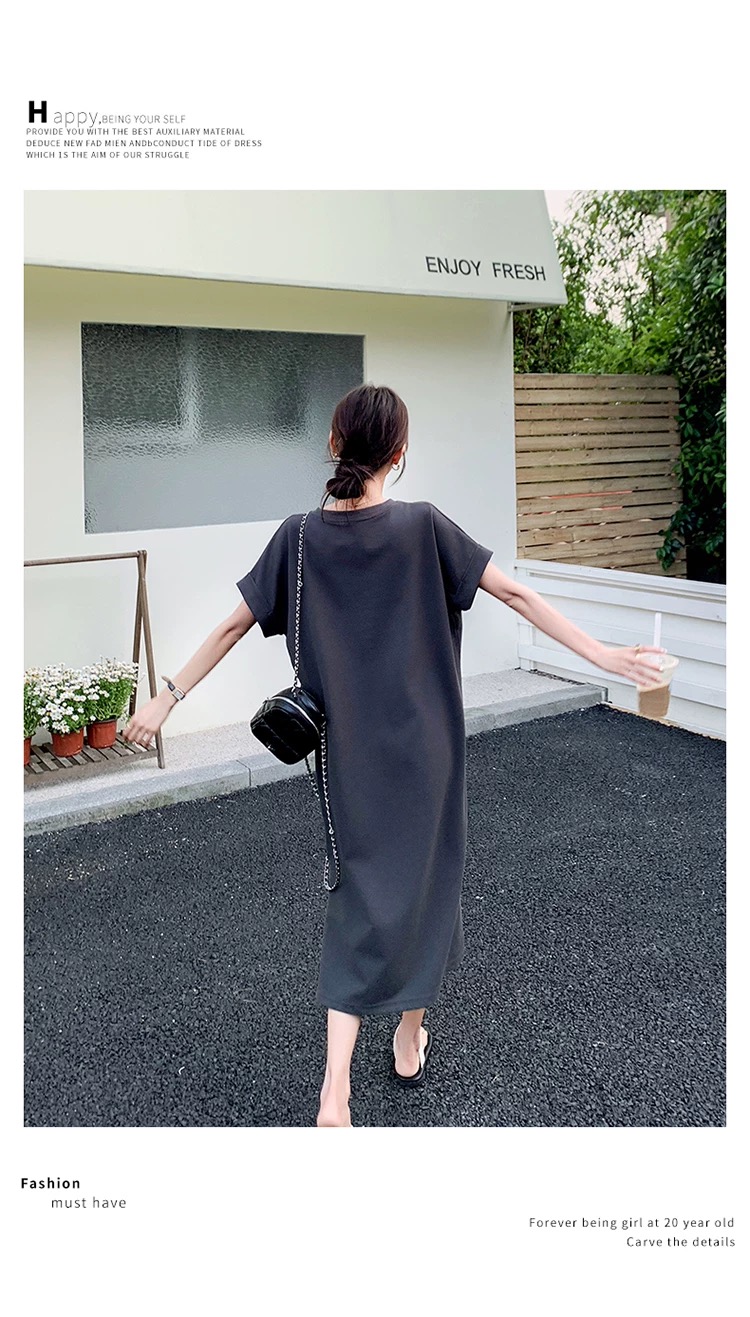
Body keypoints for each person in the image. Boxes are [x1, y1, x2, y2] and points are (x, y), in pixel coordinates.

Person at [123, 383, 666, 1128]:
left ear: (334, 444)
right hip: (428, 754)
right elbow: (517, 596)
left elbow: (229, 627)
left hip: (347, 759)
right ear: (400, 454)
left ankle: (335, 1090)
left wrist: (166, 699)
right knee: (428, 890)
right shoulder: (424, 527)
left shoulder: (298, 538)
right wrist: (605, 655)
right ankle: (409, 1037)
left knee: (356, 899)